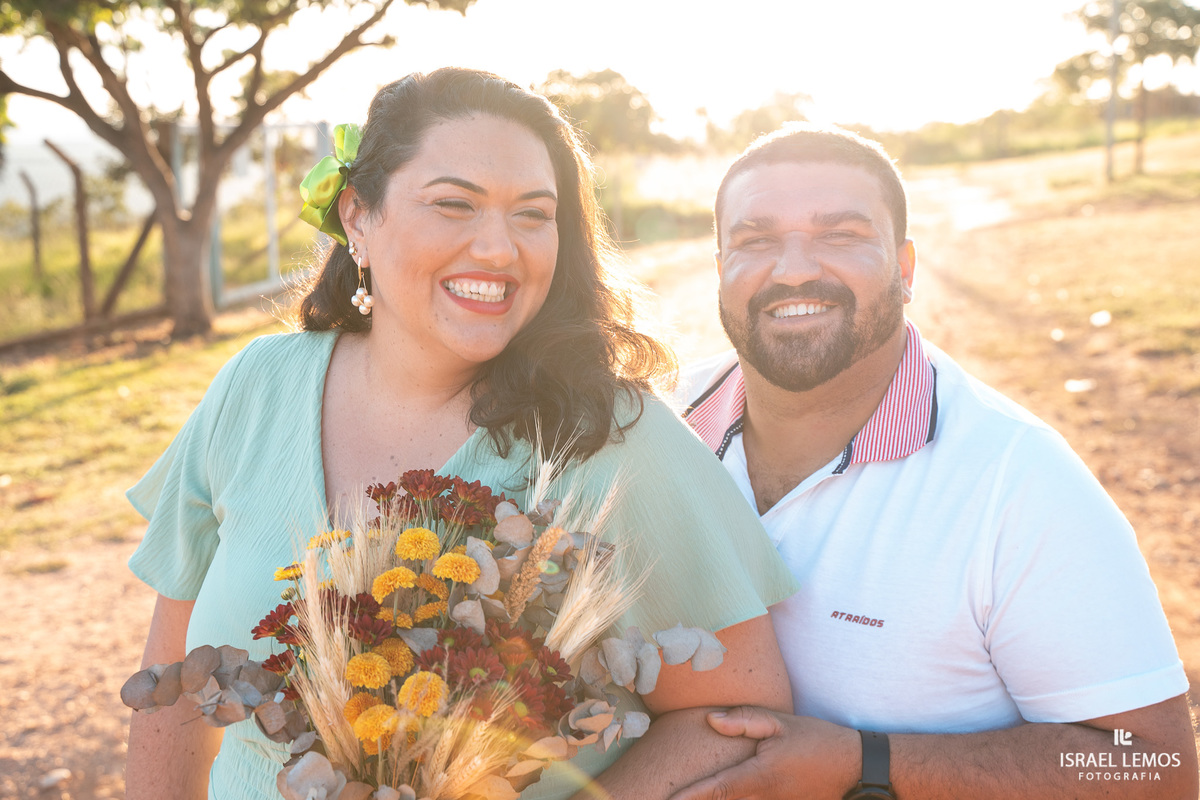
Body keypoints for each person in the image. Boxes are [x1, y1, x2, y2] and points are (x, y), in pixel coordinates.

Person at [123, 68, 797, 800]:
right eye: (453, 204)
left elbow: (741, 717)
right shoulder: (256, 387)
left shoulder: (608, 440)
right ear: (357, 216)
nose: (500, 250)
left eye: (533, 216)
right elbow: (174, 688)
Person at [671, 124, 1198, 800]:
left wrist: (868, 765)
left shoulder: (1020, 481)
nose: (794, 268)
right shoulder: (649, 430)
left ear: (905, 269)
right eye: (755, 240)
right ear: (721, 270)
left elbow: (1155, 770)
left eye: (840, 235)